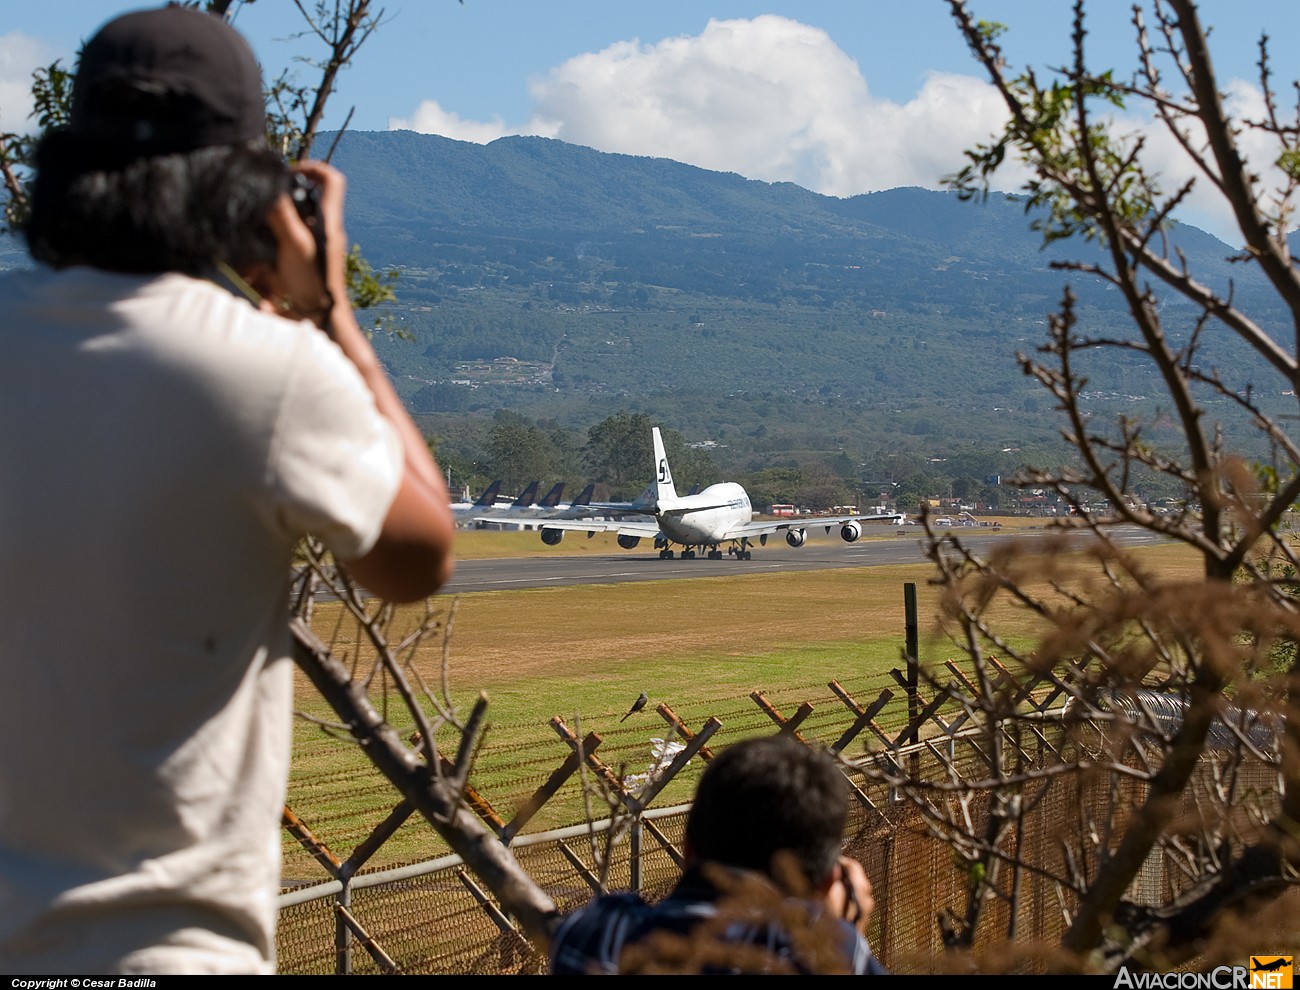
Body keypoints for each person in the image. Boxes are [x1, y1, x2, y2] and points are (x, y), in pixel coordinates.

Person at [0, 5, 453, 974]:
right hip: (158, 946)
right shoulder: (266, 368)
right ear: (249, 194)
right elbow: (417, 557)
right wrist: (332, 318)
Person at [548, 736, 888, 975]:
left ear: (687, 845)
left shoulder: (595, 937)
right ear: (827, 880)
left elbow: (602, 919)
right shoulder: (819, 956)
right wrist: (839, 933)